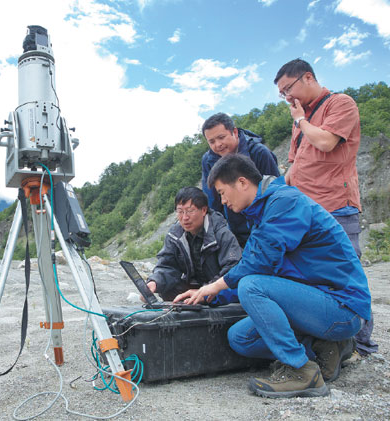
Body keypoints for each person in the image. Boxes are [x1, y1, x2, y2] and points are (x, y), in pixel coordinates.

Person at [175, 154, 371, 398]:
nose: (223, 202)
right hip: (316, 308)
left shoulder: (285, 202)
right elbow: (260, 269)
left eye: (223, 193)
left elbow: (257, 266)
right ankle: (327, 347)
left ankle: (301, 371)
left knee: (251, 286)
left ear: (242, 183)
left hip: (342, 308)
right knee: (239, 338)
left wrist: (215, 286)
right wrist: (207, 296)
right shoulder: (263, 214)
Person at [274, 58, 377, 357]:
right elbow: (294, 167)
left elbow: (327, 143)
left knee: (347, 275)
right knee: (313, 274)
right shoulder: (301, 119)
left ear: (308, 77)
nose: (287, 98)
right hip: (306, 211)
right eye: (282, 94)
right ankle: (331, 342)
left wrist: (300, 121)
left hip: (336, 206)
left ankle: (361, 344)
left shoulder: (340, 104)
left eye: (288, 89)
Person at [146, 187, 241, 303]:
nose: (185, 218)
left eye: (190, 211)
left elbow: (233, 267)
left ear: (204, 210)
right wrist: (154, 282)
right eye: (180, 211)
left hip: (215, 289)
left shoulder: (221, 233)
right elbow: (167, 265)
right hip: (192, 288)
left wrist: (206, 290)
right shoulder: (175, 235)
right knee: (166, 288)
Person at [201, 113, 279, 247]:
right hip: (234, 231)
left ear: (234, 132)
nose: (218, 145)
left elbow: (275, 192)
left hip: (266, 227)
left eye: (221, 137)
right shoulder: (208, 161)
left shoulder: (259, 153)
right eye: (212, 141)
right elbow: (213, 201)